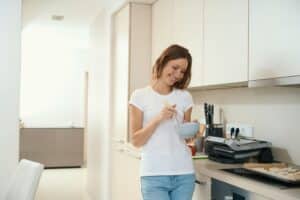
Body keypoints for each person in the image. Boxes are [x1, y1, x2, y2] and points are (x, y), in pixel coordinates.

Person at [129, 44, 200, 200]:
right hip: (153, 174)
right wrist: (158, 119)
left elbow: (186, 139)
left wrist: (193, 130)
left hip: (184, 173)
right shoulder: (139, 96)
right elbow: (135, 140)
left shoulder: (185, 97)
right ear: (163, 62)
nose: (178, 74)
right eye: (175, 67)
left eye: (182, 71)